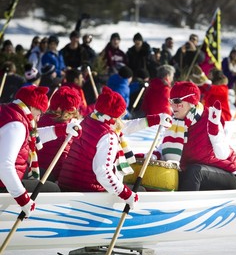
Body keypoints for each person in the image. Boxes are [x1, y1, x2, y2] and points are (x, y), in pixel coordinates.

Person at [58, 86, 172, 209]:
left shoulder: (92, 119)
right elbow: (103, 172)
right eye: (120, 116)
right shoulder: (107, 136)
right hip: (87, 190)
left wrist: (156, 119)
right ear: (113, 117)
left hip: (68, 182)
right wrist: (126, 195)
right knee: (140, 190)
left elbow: (124, 126)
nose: (121, 119)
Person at [0, 86, 81, 218]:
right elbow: (4, 165)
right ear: (32, 107)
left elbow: (32, 137)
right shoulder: (16, 126)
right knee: (53, 189)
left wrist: (63, 129)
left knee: (45, 175)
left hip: (5, 176)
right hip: (2, 183)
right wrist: (23, 199)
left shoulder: (12, 112)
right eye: (39, 113)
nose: (38, 118)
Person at [155, 81, 236, 191]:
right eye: (171, 101)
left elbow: (223, 154)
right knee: (170, 172)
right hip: (196, 173)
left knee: (194, 171)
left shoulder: (210, 119)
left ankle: (186, 206)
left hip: (228, 174)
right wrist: (155, 155)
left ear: (191, 101)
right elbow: (163, 148)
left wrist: (214, 133)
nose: (172, 106)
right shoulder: (175, 123)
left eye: (177, 101)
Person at [37, 86, 82, 182]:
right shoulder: (67, 129)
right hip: (50, 177)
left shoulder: (39, 119)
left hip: (35, 170)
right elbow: (62, 160)